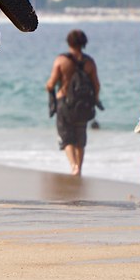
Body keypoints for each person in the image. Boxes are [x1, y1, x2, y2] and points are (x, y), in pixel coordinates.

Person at [45, 29, 100, 176]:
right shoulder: (89, 62)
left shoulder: (61, 61)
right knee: (80, 137)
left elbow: (51, 83)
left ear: (69, 42)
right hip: (83, 105)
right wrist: (94, 101)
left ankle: (73, 165)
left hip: (65, 103)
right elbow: (96, 85)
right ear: (83, 43)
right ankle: (79, 168)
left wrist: (49, 88)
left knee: (66, 137)